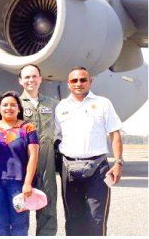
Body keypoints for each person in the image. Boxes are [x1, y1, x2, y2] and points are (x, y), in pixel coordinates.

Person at [55, 66, 123, 236]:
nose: (79, 83)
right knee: (72, 219)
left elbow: (115, 134)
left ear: (90, 82)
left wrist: (118, 162)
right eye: (74, 80)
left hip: (98, 168)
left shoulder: (103, 103)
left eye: (83, 80)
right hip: (69, 167)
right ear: (68, 84)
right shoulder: (61, 107)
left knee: (96, 219)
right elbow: (56, 138)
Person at [0, 91, 39, 236]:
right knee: (1, 224)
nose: (9, 108)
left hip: (19, 185)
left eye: (13, 105)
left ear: (19, 108)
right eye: (5, 105)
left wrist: (28, 183)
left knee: (19, 224)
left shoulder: (28, 128)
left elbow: (33, 156)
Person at [18, 64, 59, 235]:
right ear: (20, 81)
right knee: (20, 209)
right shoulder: (14, 104)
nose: (31, 80)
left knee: (48, 209)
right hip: (22, 164)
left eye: (34, 76)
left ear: (41, 79)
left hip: (46, 162)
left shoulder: (54, 104)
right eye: (27, 77)